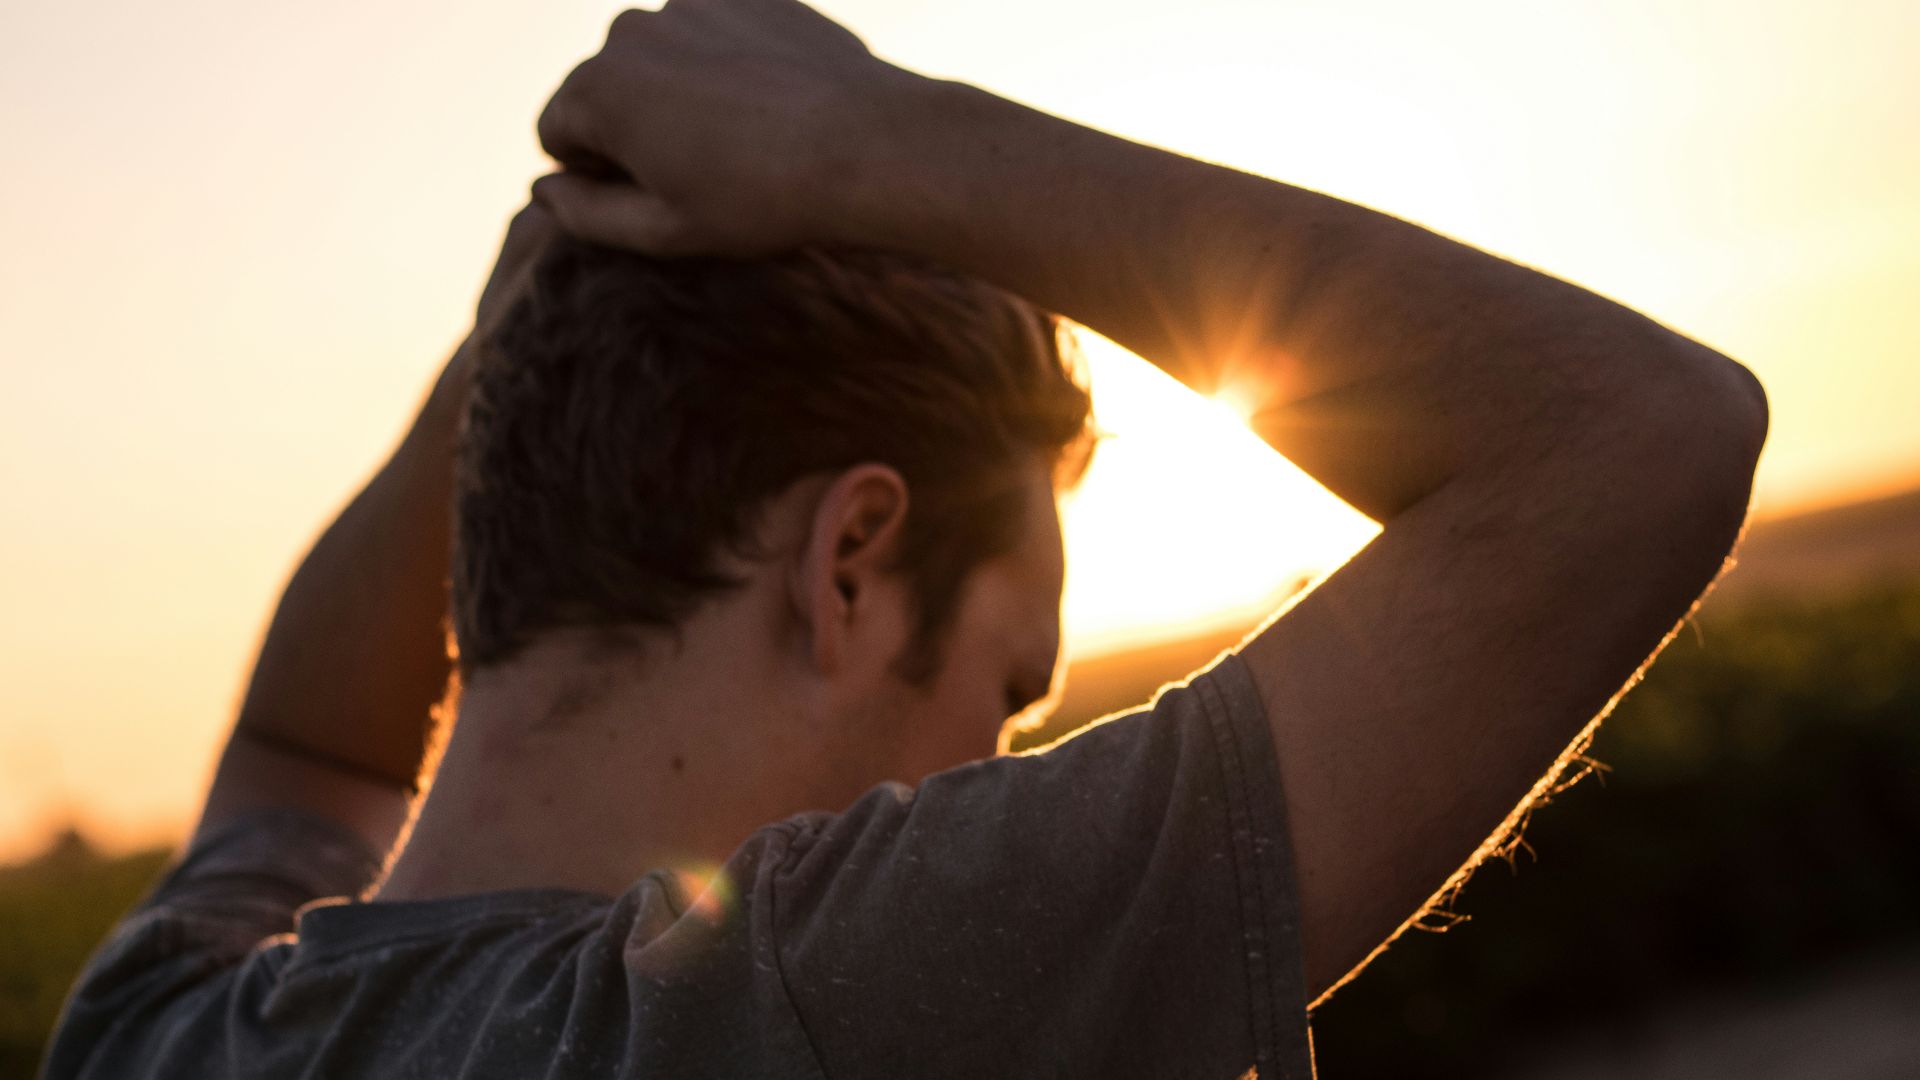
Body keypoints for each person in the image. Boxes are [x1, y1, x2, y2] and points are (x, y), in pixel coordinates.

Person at [44, 2, 1768, 1077]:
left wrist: (516, 329)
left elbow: (296, 747)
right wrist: (861, 144)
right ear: (850, 560)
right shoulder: (810, 1010)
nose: (998, 759)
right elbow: (1633, 441)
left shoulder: (162, 1027)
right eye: (1012, 689)